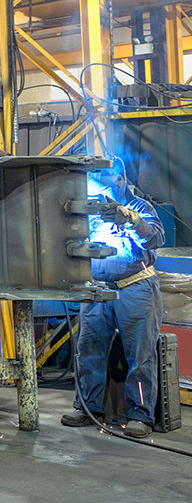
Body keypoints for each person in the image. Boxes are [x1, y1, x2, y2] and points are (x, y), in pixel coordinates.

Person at [62, 174, 165, 438]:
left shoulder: (141, 207)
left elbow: (155, 239)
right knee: (88, 349)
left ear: (120, 181)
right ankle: (88, 408)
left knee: (140, 354)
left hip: (135, 287)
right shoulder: (90, 209)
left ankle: (140, 415)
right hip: (97, 288)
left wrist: (130, 219)